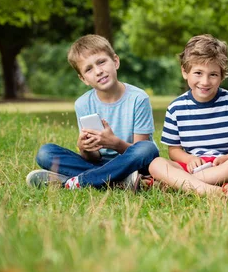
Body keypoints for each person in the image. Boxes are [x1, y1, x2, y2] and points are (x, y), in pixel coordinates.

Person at [26, 34, 159, 190]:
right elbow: (93, 157)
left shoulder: (138, 98)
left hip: (135, 164)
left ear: (115, 61)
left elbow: (140, 150)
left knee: (147, 149)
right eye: (89, 69)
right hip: (100, 164)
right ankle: (119, 181)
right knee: (45, 153)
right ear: (83, 79)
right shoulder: (82, 104)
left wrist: (114, 143)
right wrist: (85, 148)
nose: (98, 71)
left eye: (101, 62)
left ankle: (75, 182)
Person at [148, 34, 228, 197]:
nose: (205, 81)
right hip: (192, 166)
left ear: (222, 75)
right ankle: (213, 191)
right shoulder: (175, 108)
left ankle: (182, 184)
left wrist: (226, 158)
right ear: (185, 72)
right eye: (198, 73)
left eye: (213, 74)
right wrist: (189, 159)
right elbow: (174, 151)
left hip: (224, 166)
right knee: (156, 164)